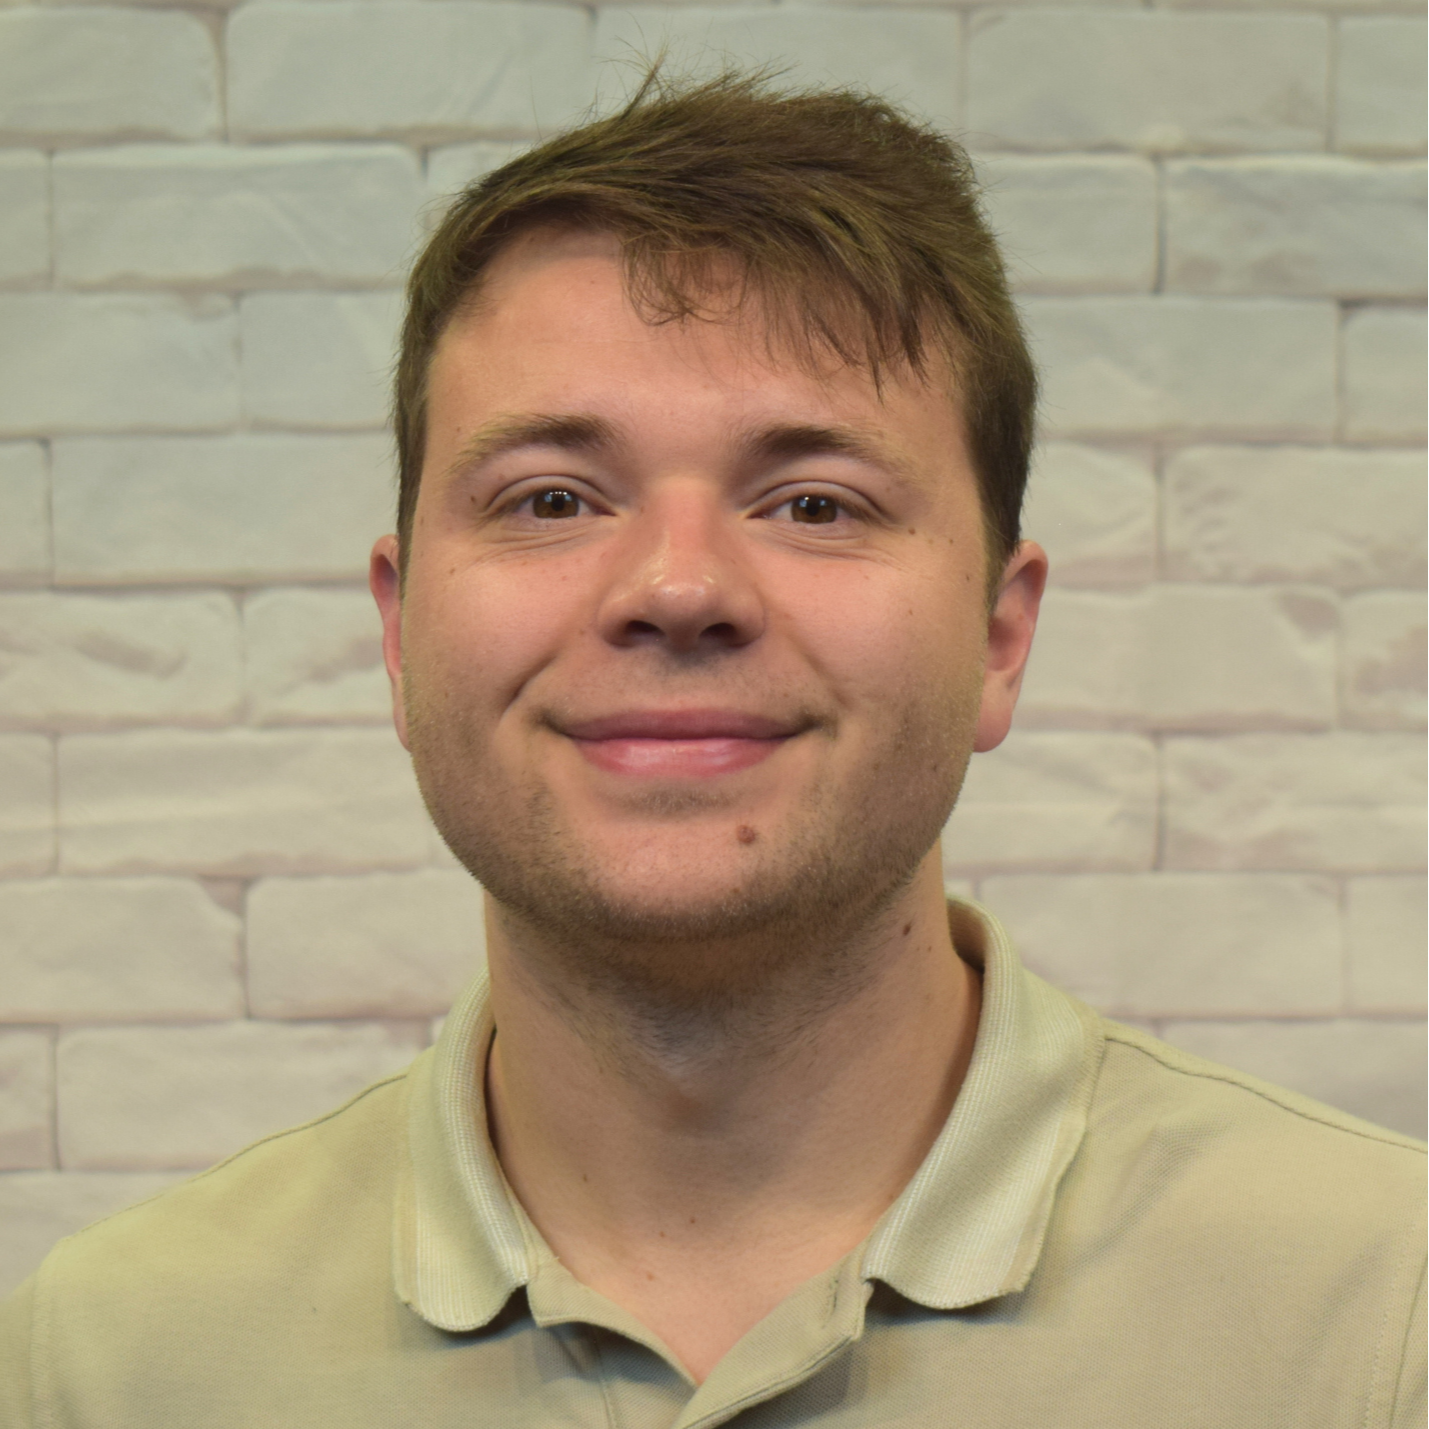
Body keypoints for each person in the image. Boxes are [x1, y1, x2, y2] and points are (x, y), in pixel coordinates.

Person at [0, 67, 1423, 1429]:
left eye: (814, 504)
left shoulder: (1384, 1314)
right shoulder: (107, 1362)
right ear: (399, 626)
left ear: (999, 633)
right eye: (552, 499)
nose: (676, 590)